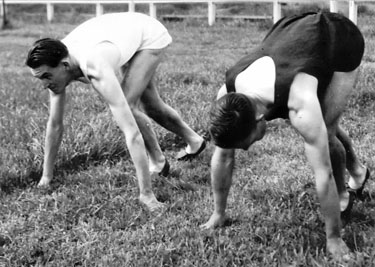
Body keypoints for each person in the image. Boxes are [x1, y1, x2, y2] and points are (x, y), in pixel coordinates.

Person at [201, 11, 371, 260]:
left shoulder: (300, 103)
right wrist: (218, 213)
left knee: (326, 129)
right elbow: (223, 156)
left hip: (337, 38)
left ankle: (345, 192)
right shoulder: (229, 97)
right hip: (291, 32)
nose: (246, 150)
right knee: (320, 129)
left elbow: (322, 174)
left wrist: (333, 239)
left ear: (260, 119)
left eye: (247, 144)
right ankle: (358, 171)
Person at [25, 12, 206, 212]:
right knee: (151, 106)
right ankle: (193, 141)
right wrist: (46, 177)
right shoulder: (56, 59)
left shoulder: (95, 66)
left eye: (46, 77)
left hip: (148, 35)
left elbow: (131, 133)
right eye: (39, 78)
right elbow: (55, 124)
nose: (44, 85)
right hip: (120, 34)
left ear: (65, 66)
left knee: (128, 107)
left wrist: (146, 195)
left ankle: (158, 162)